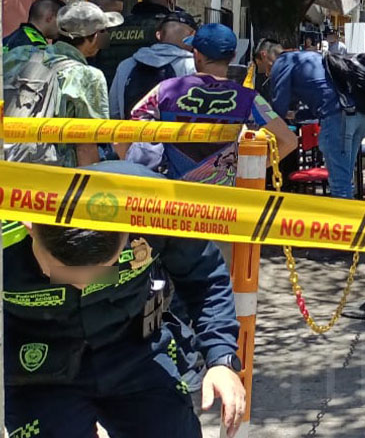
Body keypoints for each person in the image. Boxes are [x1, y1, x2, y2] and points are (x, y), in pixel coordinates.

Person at [3, 160, 246, 437]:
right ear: (30, 225)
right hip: (34, 367)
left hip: (135, 347)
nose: (84, 287)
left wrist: (221, 358)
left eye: (102, 272)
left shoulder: (154, 202)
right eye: (62, 275)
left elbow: (204, 275)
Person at [121, 24, 297, 185]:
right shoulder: (249, 99)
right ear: (233, 56)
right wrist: (245, 170)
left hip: (173, 203)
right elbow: (289, 140)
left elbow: (122, 137)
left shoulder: (165, 91)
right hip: (223, 206)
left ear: (196, 54)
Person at [3, 1, 121, 167]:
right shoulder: (89, 76)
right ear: (94, 37)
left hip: (8, 163)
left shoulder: (19, 55)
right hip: (55, 177)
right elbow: (86, 146)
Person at [254, 39, 365, 198]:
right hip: (358, 114)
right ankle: (352, 218)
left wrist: (260, 128)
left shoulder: (282, 63)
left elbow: (278, 107)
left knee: (339, 184)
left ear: (264, 55)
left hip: (338, 120)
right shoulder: (306, 57)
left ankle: (345, 221)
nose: (268, 74)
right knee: (345, 179)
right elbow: (323, 95)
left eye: (264, 69)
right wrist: (298, 115)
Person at [109, 10, 198, 119]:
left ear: (158, 35)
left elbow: (114, 112)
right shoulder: (192, 66)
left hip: (130, 133)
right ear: (193, 36)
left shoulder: (126, 65)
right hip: (171, 134)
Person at [94, 0, 181, 86]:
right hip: (152, 99)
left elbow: (95, 57)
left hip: (110, 94)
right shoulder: (170, 30)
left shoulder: (109, 28)